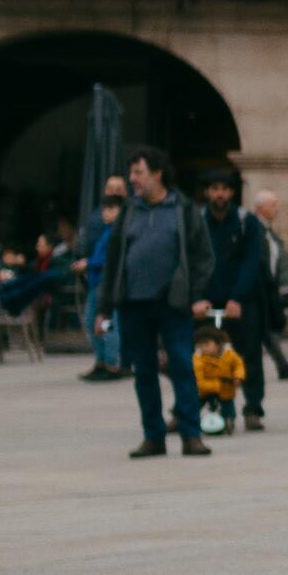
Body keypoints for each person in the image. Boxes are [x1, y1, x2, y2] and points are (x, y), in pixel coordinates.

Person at [96, 146, 215, 459]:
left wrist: (194, 293)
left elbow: (203, 256)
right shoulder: (129, 212)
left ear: (158, 173)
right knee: (144, 371)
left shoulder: (184, 209)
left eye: (139, 172)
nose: (132, 179)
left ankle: (191, 434)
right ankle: (153, 436)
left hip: (172, 303)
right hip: (133, 303)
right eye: (132, 173)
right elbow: (113, 262)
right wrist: (104, 309)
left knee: (181, 366)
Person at [198, 170, 268, 430]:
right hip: (206, 300)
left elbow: (251, 261)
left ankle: (253, 409)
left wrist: (237, 297)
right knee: (201, 357)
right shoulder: (198, 221)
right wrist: (198, 297)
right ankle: (194, 408)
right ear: (206, 192)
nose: (220, 194)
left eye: (225, 189)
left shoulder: (245, 221)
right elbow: (192, 260)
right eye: (214, 188)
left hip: (240, 300)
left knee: (249, 354)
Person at [249, 191, 288, 380]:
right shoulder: (254, 228)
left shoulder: (265, 229)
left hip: (267, 286)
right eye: (273, 204)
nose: (277, 208)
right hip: (258, 286)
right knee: (261, 329)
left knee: (264, 329)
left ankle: (283, 367)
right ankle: (282, 367)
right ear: (260, 208)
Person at [74, 195, 127, 381]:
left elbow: (110, 261)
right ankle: (102, 360)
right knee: (94, 322)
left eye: (112, 209)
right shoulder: (107, 231)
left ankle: (110, 363)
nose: (107, 212)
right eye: (105, 209)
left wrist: (88, 264)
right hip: (97, 284)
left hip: (108, 285)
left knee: (109, 324)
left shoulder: (119, 233)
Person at [191, 323, 245, 434]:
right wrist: (216, 385)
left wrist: (238, 376)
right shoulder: (198, 359)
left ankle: (229, 420)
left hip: (226, 389)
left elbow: (238, 365)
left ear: (218, 343)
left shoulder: (229, 355)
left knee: (227, 405)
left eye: (206, 344)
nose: (203, 349)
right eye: (200, 346)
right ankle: (191, 421)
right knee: (195, 405)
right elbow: (198, 380)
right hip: (205, 390)